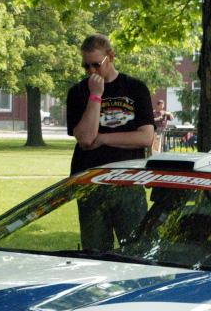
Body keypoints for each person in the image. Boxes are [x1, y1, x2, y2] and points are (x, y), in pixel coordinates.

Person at [66, 33, 154, 250]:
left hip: (128, 183)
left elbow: (145, 137)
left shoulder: (135, 88)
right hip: (91, 183)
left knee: (136, 249)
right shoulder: (78, 92)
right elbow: (86, 138)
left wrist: (103, 138)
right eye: (86, 66)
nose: (91, 72)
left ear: (111, 57)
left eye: (96, 65)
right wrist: (96, 96)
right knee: (95, 251)